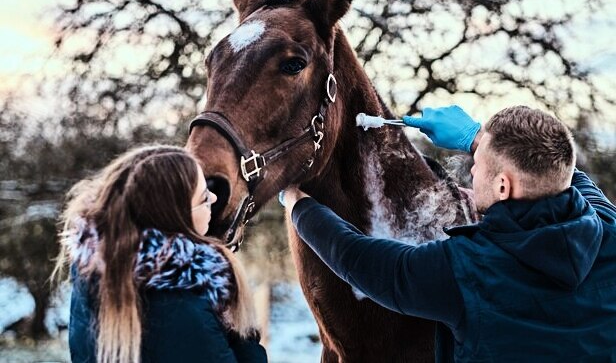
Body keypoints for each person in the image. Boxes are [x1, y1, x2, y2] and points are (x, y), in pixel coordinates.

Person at [280, 105, 616, 362]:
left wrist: (296, 202)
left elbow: (357, 258)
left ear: (502, 185)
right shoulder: (607, 228)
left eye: (479, 164)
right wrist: (475, 138)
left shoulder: (470, 270)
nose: (471, 168)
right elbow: (567, 174)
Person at [53, 145, 267, 363]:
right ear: (175, 217)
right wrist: (240, 334)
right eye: (203, 198)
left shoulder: (91, 275)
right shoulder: (187, 303)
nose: (213, 198)